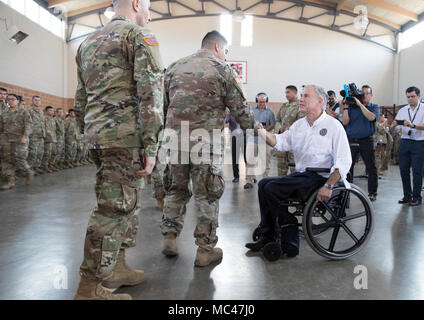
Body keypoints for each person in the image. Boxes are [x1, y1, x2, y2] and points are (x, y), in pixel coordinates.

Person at [73, 0, 164, 300]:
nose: (149, 14)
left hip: (100, 136)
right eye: (149, 6)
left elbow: (80, 99)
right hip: (126, 138)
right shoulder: (139, 36)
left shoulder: (87, 43)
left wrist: (88, 135)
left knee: (128, 204)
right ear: (137, 4)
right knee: (112, 211)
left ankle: (117, 267)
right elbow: (150, 94)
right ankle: (89, 287)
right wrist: (151, 145)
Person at [160, 30, 254, 267]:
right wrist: (254, 127)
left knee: (176, 190)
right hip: (206, 144)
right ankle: (205, 250)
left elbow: (162, 107)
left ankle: (169, 238)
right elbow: (240, 109)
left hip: (176, 140)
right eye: (226, 51)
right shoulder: (223, 69)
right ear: (217, 48)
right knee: (207, 194)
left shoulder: (174, 67)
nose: (225, 55)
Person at [245, 85, 352, 256]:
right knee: (264, 184)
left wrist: (330, 186)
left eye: (306, 96)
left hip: (320, 177)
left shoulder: (334, 126)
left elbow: (343, 160)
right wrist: (261, 131)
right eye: (301, 96)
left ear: (319, 101)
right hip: (303, 175)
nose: (301, 99)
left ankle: (289, 227)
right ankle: (268, 235)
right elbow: (280, 142)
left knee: (272, 188)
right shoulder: (299, 125)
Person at [342, 85, 379, 201]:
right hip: (352, 140)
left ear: (371, 95)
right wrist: (346, 107)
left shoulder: (374, 107)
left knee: (371, 167)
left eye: (366, 93)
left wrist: (360, 105)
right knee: (348, 168)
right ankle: (346, 192)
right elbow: (345, 122)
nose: (364, 95)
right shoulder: (352, 108)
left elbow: (371, 118)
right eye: (362, 93)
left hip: (366, 140)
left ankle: (372, 192)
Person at [392, 86, 424, 206]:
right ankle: (407, 195)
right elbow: (396, 127)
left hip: (419, 142)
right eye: (408, 97)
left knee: (417, 171)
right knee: (404, 170)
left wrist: (413, 125)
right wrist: (394, 125)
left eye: (412, 96)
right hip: (405, 142)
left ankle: (416, 197)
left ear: (418, 96)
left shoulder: (423, 108)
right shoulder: (403, 110)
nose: (410, 99)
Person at [0, 94, 34, 190]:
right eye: (8, 99)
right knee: (6, 160)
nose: (10, 101)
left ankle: (28, 171)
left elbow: (29, 125)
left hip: (19, 139)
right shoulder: (4, 113)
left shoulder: (24, 112)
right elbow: (1, 127)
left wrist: (25, 136)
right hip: (6, 140)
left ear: (18, 101)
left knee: (19, 158)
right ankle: (10, 181)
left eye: (13, 99)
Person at [244, 92, 275, 189]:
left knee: (265, 161)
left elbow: (273, 124)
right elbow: (247, 123)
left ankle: (265, 180)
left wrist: (262, 131)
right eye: (260, 102)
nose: (262, 104)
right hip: (252, 139)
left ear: (266, 101)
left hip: (265, 139)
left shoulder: (270, 112)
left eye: (264, 102)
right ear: (256, 101)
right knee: (250, 160)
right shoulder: (251, 111)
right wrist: (253, 131)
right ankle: (249, 181)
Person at [273, 85, 302, 176]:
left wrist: (288, 129)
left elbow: (301, 123)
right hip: (282, 140)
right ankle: (281, 185)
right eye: (286, 92)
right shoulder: (284, 106)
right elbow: (278, 120)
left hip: (293, 142)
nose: (286, 95)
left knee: (294, 167)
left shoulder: (299, 106)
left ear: (295, 92)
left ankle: (295, 187)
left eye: (288, 92)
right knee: (281, 166)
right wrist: (279, 129)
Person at [225, 108, 246, 183]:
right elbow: (225, 121)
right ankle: (236, 176)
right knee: (235, 157)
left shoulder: (244, 112)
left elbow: (249, 122)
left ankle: (250, 176)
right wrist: (227, 115)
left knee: (247, 156)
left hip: (244, 136)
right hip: (234, 137)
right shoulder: (230, 114)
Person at [27, 96, 46, 174]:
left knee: (40, 152)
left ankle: (36, 167)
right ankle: (30, 169)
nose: (37, 102)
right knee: (33, 153)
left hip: (41, 135)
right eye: (35, 100)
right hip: (33, 135)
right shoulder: (29, 111)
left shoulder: (41, 112)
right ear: (32, 101)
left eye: (39, 100)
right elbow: (27, 123)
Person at [41, 106, 58, 173]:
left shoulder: (52, 119)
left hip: (53, 138)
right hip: (47, 139)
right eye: (50, 110)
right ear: (46, 111)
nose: (52, 112)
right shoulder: (44, 118)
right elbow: (44, 129)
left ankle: (51, 164)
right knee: (47, 153)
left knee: (54, 153)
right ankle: (45, 166)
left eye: (53, 110)